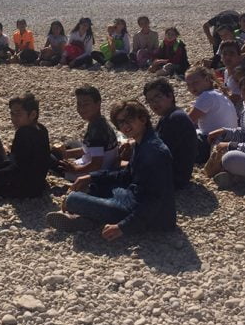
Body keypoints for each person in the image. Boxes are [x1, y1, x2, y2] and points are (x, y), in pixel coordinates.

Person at [46, 100, 176, 238]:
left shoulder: (154, 152)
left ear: (142, 119)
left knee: (72, 200)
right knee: (95, 184)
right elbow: (126, 175)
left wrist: (122, 227)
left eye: (128, 120)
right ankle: (87, 220)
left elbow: (153, 200)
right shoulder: (142, 142)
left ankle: (85, 217)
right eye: (120, 123)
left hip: (151, 218)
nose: (124, 126)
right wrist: (91, 177)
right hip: (131, 197)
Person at [0, 93, 51, 199]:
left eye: (18, 114)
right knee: (4, 150)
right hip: (37, 188)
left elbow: (17, 168)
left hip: (16, 189)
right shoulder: (42, 129)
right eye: (12, 114)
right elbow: (41, 158)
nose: (14, 118)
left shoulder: (23, 133)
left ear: (32, 114)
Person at [54, 86, 119, 181]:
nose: (81, 108)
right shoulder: (98, 121)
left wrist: (75, 169)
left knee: (49, 158)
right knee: (70, 144)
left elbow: (96, 164)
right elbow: (88, 149)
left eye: (86, 104)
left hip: (93, 173)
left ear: (98, 104)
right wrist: (64, 154)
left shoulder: (97, 130)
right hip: (101, 161)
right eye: (79, 104)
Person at [143, 78, 197, 189]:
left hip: (173, 179)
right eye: (150, 101)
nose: (154, 103)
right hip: (174, 176)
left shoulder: (175, 118)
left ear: (170, 96)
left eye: (157, 97)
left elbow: (160, 154)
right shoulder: (170, 116)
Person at [185, 66, 238, 166]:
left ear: (206, 80)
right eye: (188, 85)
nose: (192, 88)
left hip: (213, 140)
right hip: (231, 137)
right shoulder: (218, 93)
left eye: (195, 83)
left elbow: (187, 121)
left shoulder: (206, 96)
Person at [217, 40, 244, 113]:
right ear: (221, 58)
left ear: (239, 57)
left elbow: (242, 96)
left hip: (240, 112)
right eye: (224, 54)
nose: (228, 57)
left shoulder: (240, 74)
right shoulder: (226, 71)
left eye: (232, 54)